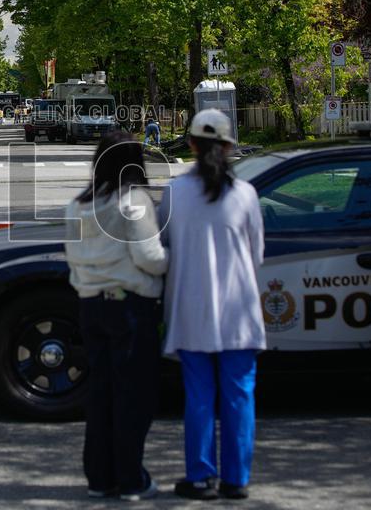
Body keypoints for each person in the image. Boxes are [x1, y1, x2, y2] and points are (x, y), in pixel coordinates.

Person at [156, 109, 264, 501]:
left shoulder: (174, 193)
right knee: (239, 395)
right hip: (238, 312)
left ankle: (201, 477)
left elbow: (163, 245)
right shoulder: (246, 194)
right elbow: (256, 255)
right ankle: (236, 480)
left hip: (192, 311)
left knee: (199, 397)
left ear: (191, 145)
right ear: (230, 146)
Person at [65, 132, 169, 502]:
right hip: (129, 307)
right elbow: (149, 257)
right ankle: (130, 479)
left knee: (100, 393)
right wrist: (174, 259)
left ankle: (99, 477)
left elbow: (72, 256)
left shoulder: (78, 205)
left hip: (91, 304)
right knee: (132, 396)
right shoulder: (133, 201)